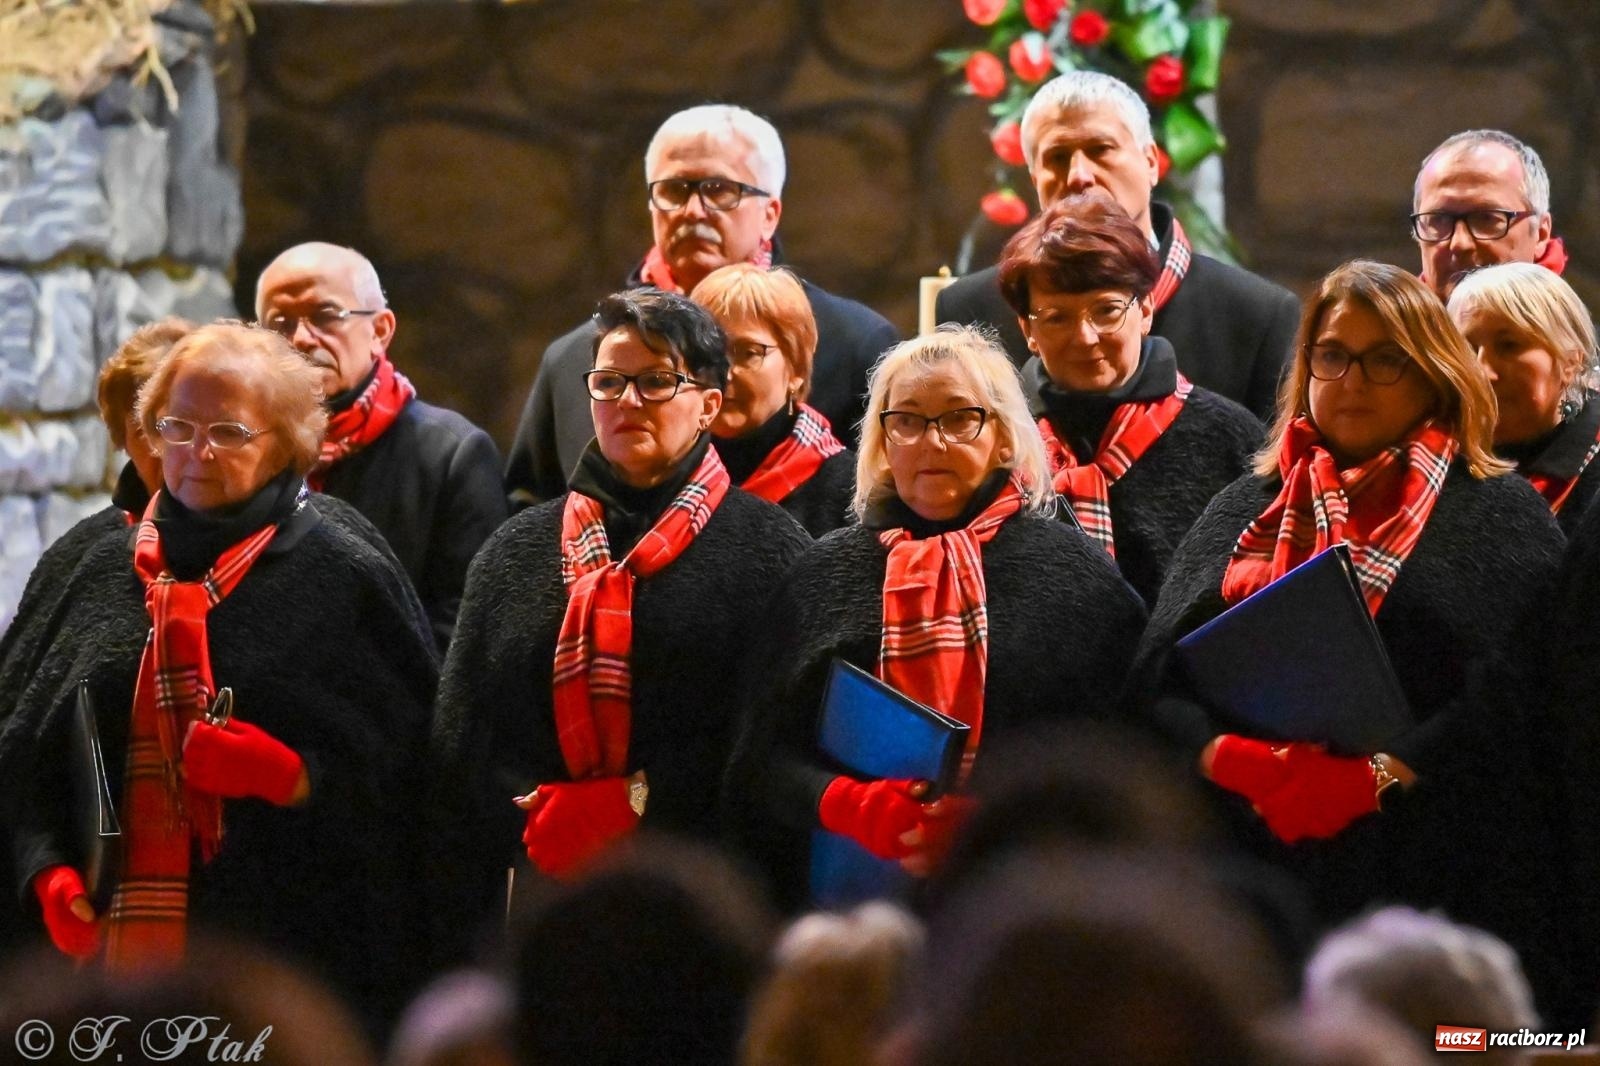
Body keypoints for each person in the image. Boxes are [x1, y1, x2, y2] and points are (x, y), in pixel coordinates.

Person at [1131, 260, 1564, 981]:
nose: (1353, 380)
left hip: (1432, 874)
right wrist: (1228, 758)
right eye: (1332, 354)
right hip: (1253, 872)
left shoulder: (1498, 511)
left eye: (1385, 359)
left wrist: (1379, 777)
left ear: (1433, 372)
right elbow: (1155, 680)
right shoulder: (1247, 503)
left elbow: (1521, 699)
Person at [0, 322, 440, 1029]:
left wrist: (294, 778)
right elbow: (20, 749)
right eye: (178, 426)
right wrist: (42, 866)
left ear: (287, 444)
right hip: (100, 979)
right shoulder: (91, 563)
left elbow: (419, 782)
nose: (197, 452)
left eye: (230, 432)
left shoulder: (345, 569)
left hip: (279, 979)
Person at [431, 290, 811, 937]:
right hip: (539, 880)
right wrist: (540, 810)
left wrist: (636, 800)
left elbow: (774, 744)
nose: (628, 401)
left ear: (708, 405)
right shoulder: (518, 548)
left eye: (656, 381)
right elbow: (460, 737)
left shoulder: (772, 550)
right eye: (609, 382)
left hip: (707, 895)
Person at [727, 327, 1147, 907]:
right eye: (908, 421)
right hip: (855, 902)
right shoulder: (822, 575)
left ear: (1003, 438)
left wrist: (1000, 817)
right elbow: (757, 764)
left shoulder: (1076, 575)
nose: (932, 442)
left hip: (1030, 897)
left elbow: (1124, 760)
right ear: (882, 442)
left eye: (958, 418)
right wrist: (844, 802)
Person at [505, 104, 899, 506]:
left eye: (719, 190)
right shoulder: (573, 358)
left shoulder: (854, 345)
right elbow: (528, 512)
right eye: (673, 190)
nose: (693, 211)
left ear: (770, 214)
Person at [935, 71, 1298, 419]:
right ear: (1034, 178)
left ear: (1151, 162)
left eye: (1100, 149)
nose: (1079, 175)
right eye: (1057, 157)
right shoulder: (971, 311)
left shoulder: (1257, 316)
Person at [997, 194, 1264, 604]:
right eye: (1057, 318)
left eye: (1106, 310)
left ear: (1145, 309)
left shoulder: (1229, 438)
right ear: (1027, 330)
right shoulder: (999, 443)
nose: (1085, 337)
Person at [255, 242, 508, 650]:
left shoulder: (451, 455)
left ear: (379, 331)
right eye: (279, 324)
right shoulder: (242, 449)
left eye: (325, 316)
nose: (300, 339)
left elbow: (470, 625)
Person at [690, 264, 855, 537]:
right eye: (708, 353)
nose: (724, 374)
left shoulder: (848, 494)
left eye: (748, 353)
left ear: (796, 369)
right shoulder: (666, 474)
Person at [1447, 262, 1600, 532]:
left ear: (1570, 362)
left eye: (1509, 346)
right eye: (1467, 349)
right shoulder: (1434, 466)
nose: (1482, 372)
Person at [1412, 129, 1567, 300]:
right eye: (1439, 220)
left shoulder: (1576, 326)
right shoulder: (1391, 325)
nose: (1460, 244)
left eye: (1486, 218)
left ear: (1540, 234)